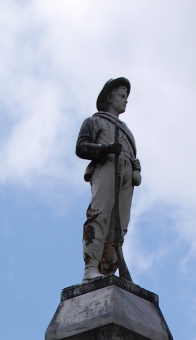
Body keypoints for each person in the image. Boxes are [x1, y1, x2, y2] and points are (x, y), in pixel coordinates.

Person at [76, 77, 141, 281]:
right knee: (100, 214)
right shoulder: (95, 121)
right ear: (110, 97)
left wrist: (135, 168)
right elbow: (81, 147)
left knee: (120, 226)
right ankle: (91, 268)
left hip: (126, 179)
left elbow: (131, 157)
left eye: (126, 97)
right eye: (122, 95)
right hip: (106, 169)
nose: (125, 100)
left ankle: (109, 269)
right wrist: (104, 149)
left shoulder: (127, 131)